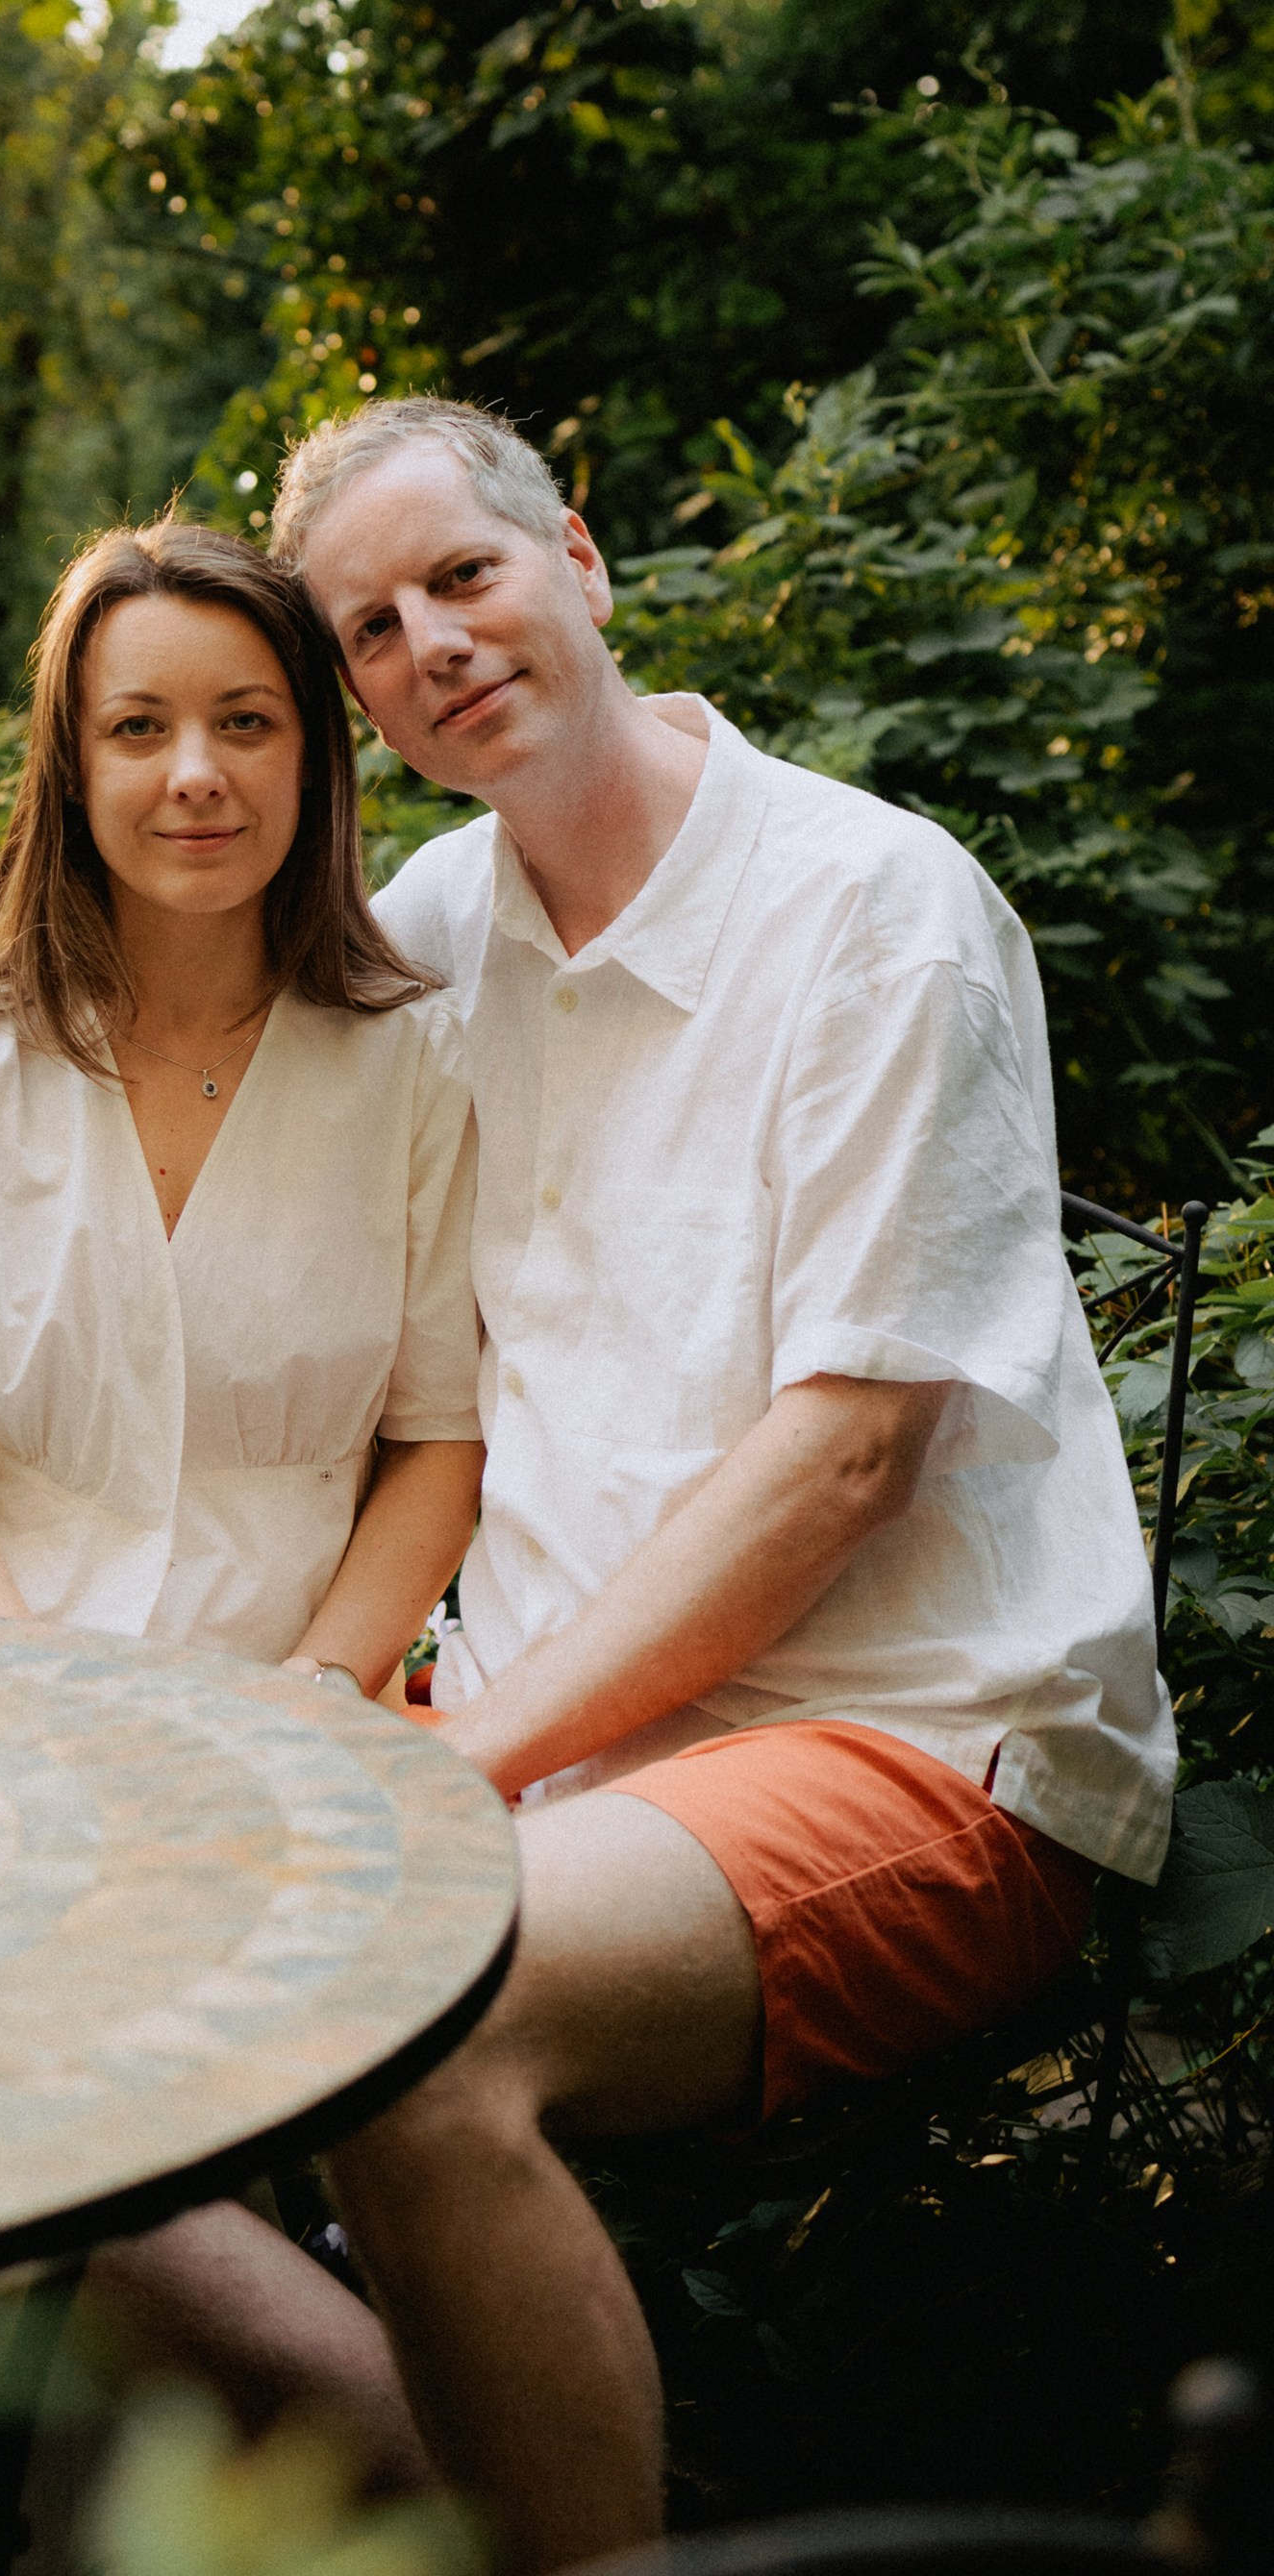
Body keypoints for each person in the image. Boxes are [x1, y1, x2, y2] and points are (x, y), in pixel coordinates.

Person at [243, 396, 1175, 2574]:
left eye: (458, 577)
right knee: (66, 2015)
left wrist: (464, 1766)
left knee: (403, 2033)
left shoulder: (867, 910)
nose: (432, 646)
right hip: (547, 1740)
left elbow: (845, 1459)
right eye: (371, 631)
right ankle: (491, 2463)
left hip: (914, 1737)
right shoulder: (425, 936)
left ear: (575, 553)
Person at [0, 517, 484, 2574]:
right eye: (139, 726)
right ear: (65, 767)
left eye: (248, 722)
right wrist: (57, 1732)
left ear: (315, 759)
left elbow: (436, 1440)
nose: (197, 775)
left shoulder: (412, 1056)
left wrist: (304, 1715)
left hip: (294, 1688)